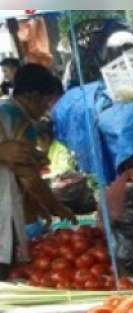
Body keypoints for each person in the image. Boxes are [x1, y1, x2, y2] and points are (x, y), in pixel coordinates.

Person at [0, 64, 74, 279]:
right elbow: (30, 179)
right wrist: (56, 207)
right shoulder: (18, 120)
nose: (47, 109)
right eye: (47, 101)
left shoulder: (4, 109)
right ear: (33, 96)